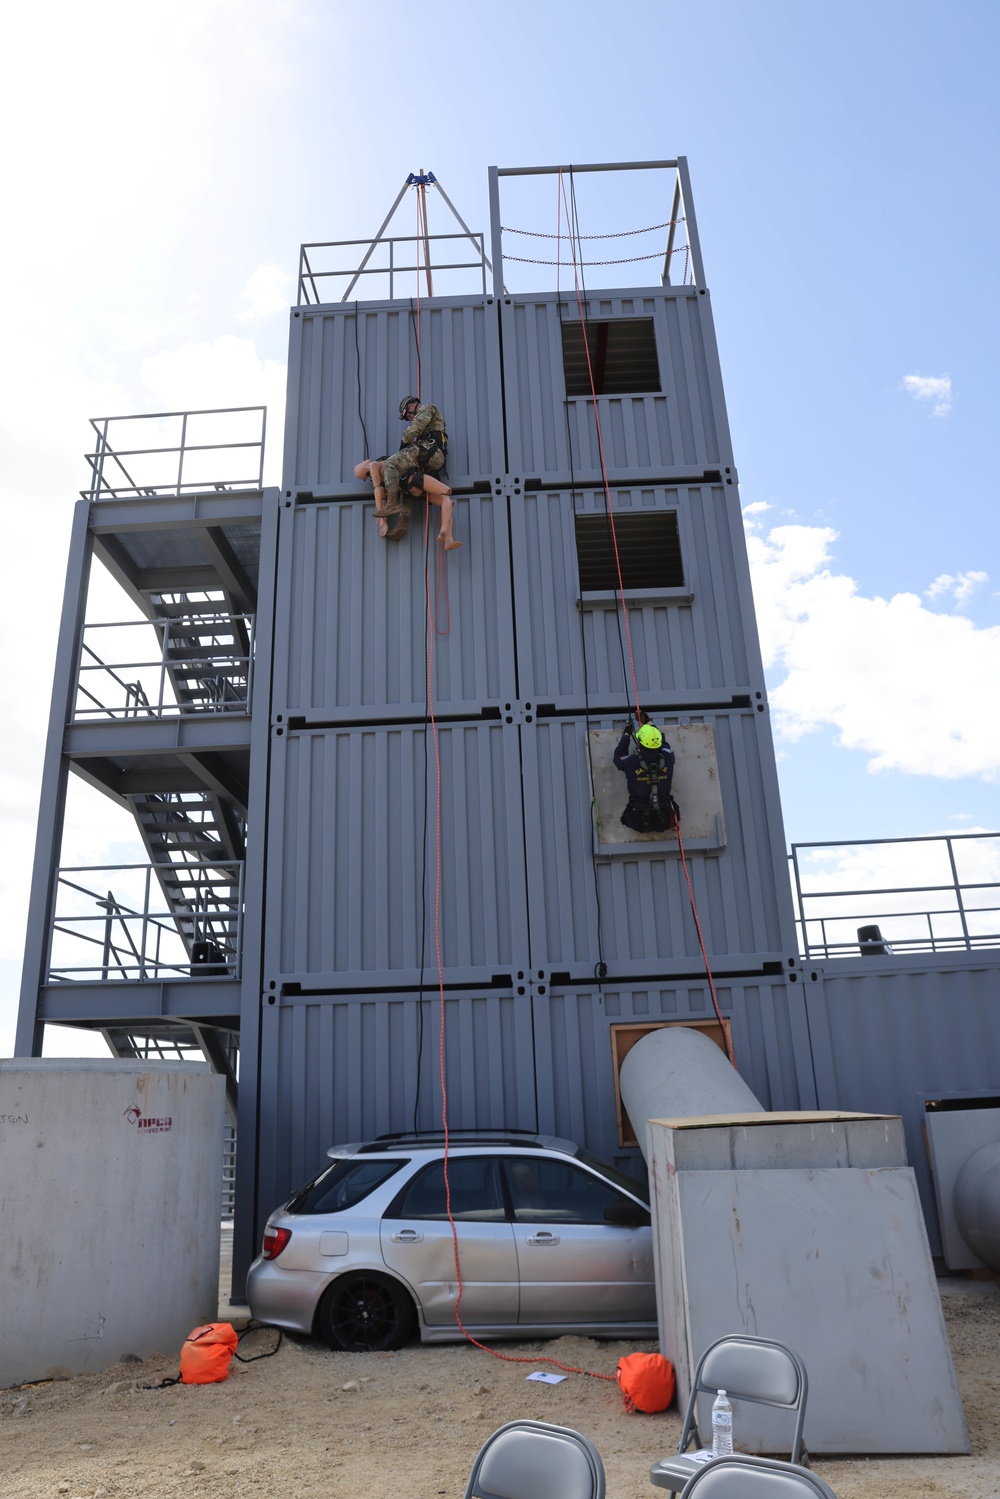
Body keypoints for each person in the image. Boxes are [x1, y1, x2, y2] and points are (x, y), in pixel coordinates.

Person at [354, 457, 461, 549]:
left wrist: (384, 520)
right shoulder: (375, 465)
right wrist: (381, 516)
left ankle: (448, 541)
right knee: (446, 495)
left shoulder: (383, 477)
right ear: (364, 465)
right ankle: (445, 530)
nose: (370, 476)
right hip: (415, 480)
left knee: (446, 503)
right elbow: (377, 489)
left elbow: (382, 499)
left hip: (412, 492)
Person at [613, 720, 678, 834]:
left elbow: (618, 757)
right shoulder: (668, 758)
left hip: (638, 819)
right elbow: (664, 744)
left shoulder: (631, 762)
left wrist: (626, 734)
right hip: (665, 818)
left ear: (639, 744)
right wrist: (649, 722)